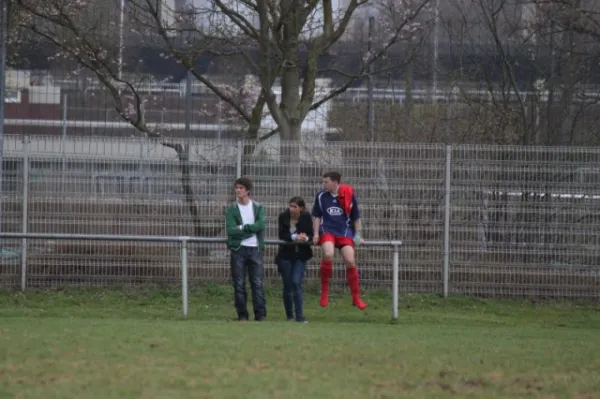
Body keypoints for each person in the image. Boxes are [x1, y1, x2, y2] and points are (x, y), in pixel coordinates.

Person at [312, 171, 367, 310]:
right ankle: (324, 292)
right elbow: (317, 216)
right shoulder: (321, 196)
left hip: (344, 231)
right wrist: (316, 233)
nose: (323, 184)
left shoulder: (349, 193)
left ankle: (356, 297)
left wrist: (358, 235)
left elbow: (356, 217)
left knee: (350, 260)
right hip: (328, 230)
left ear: (335, 182)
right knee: (328, 254)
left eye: (326, 182)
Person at [224, 176, 267, 321]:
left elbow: (261, 225)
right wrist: (249, 229)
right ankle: (242, 315)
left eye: (241, 188)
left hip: (255, 249)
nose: (238, 190)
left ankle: (260, 315)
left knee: (257, 283)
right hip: (238, 249)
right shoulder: (231, 209)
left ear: (248, 190)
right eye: (236, 188)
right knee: (239, 283)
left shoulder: (257, 207)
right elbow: (230, 230)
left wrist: (243, 227)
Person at [275, 196, 314, 323]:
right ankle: (289, 315)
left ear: (301, 208)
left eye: (295, 206)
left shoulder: (306, 217)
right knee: (288, 285)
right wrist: (293, 237)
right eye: (290, 206)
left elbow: (311, 234)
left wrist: (305, 238)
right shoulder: (283, 216)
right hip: (285, 255)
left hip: (300, 255)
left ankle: (300, 316)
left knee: (296, 282)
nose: (291, 209)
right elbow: (282, 234)